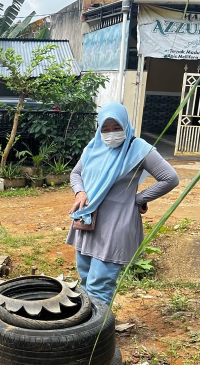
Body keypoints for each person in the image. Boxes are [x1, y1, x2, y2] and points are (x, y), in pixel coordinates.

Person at [66, 102, 179, 305]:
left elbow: (170, 178)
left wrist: (139, 199)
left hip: (116, 225)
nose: (111, 133)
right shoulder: (93, 147)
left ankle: (100, 324)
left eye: (116, 127)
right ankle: (88, 321)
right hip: (87, 221)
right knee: (85, 277)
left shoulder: (139, 149)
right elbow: (76, 174)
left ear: (125, 125)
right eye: (105, 128)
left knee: (99, 286)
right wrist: (80, 192)